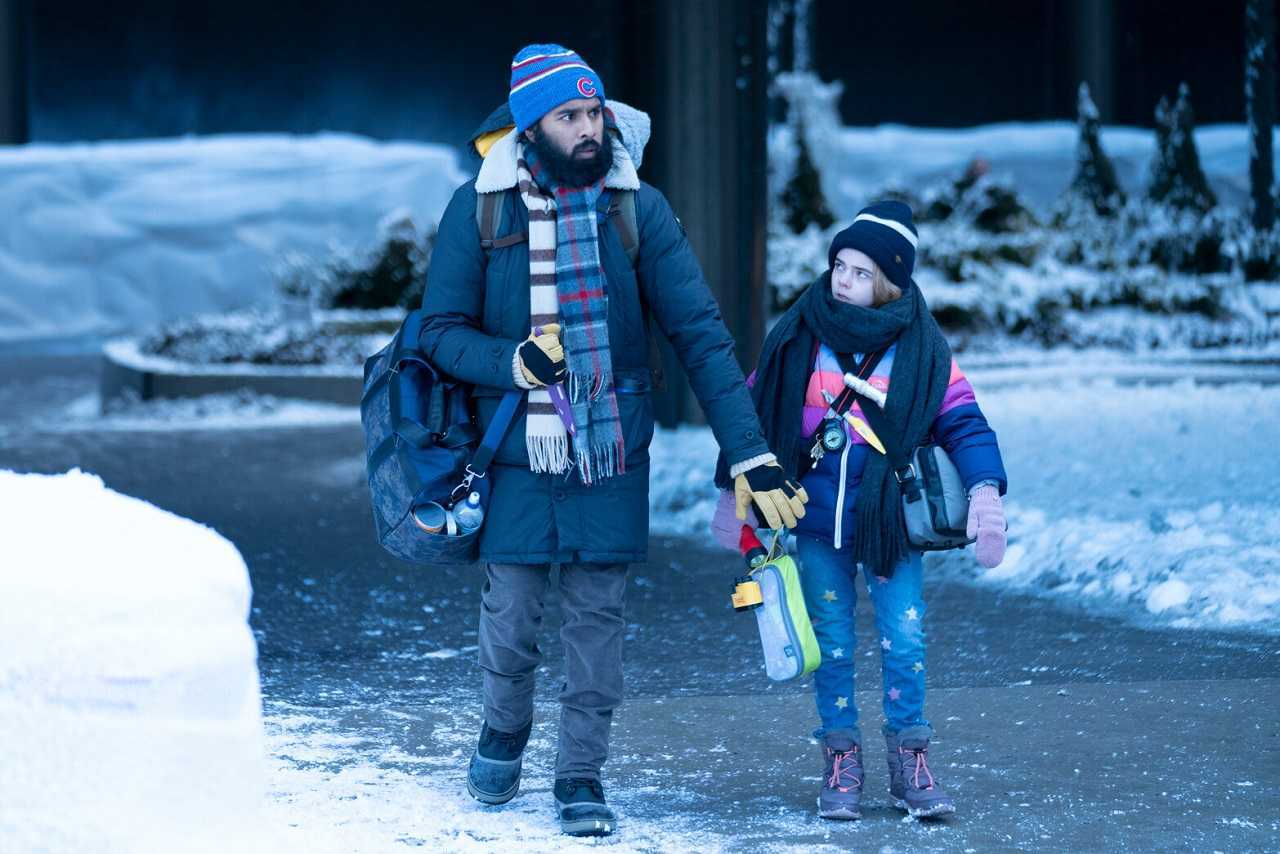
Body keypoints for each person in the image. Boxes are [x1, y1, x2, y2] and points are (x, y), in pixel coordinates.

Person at [420, 43, 808, 837]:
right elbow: (437, 333)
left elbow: (700, 334)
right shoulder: (481, 209)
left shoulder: (637, 208)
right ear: (533, 126)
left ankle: (580, 775)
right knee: (513, 610)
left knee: (597, 620)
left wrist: (750, 451)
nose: (589, 128)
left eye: (595, 112)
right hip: (514, 450)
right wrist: (512, 360)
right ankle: (503, 730)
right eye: (570, 116)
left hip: (611, 449)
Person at [712, 201, 1008, 821]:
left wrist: (985, 492)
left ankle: (912, 760)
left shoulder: (923, 348)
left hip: (890, 527)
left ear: (890, 283)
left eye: (860, 272)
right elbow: (752, 415)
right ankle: (841, 758)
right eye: (839, 265)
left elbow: (964, 422)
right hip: (815, 523)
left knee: (905, 639)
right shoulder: (800, 333)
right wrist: (730, 496)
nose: (842, 280)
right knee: (833, 645)